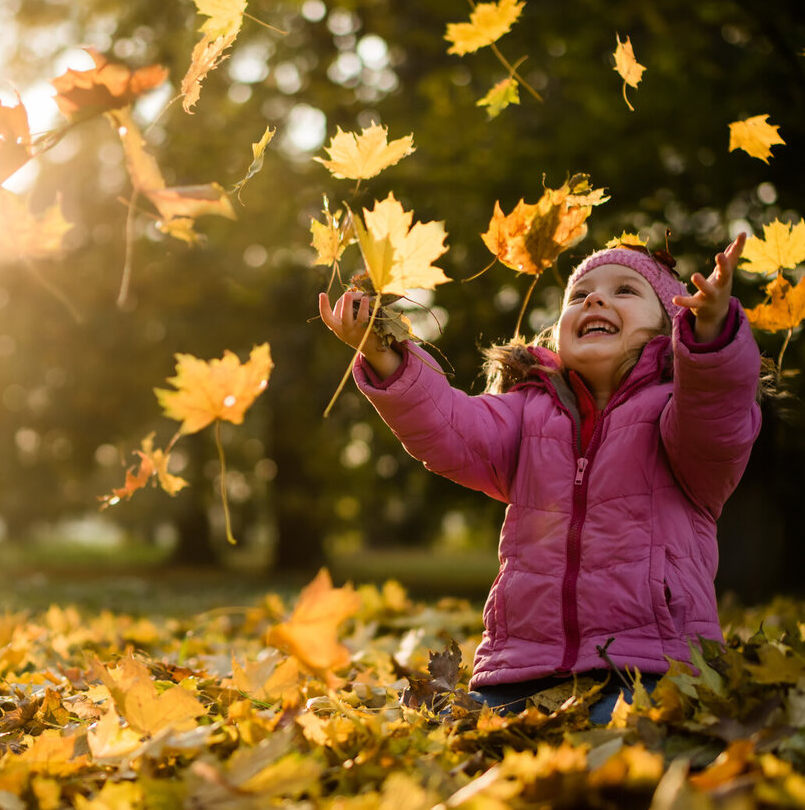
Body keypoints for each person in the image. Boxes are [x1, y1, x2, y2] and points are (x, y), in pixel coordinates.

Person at [318, 234, 762, 723]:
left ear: (668, 327)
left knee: (617, 738)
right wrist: (385, 356)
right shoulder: (527, 411)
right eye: (579, 295)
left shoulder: (679, 413)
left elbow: (717, 412)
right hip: (525, 667)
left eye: (625, 291)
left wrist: (713, 336)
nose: (595, 299)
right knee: (462, 732)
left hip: (650, 665)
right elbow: (450, 428)